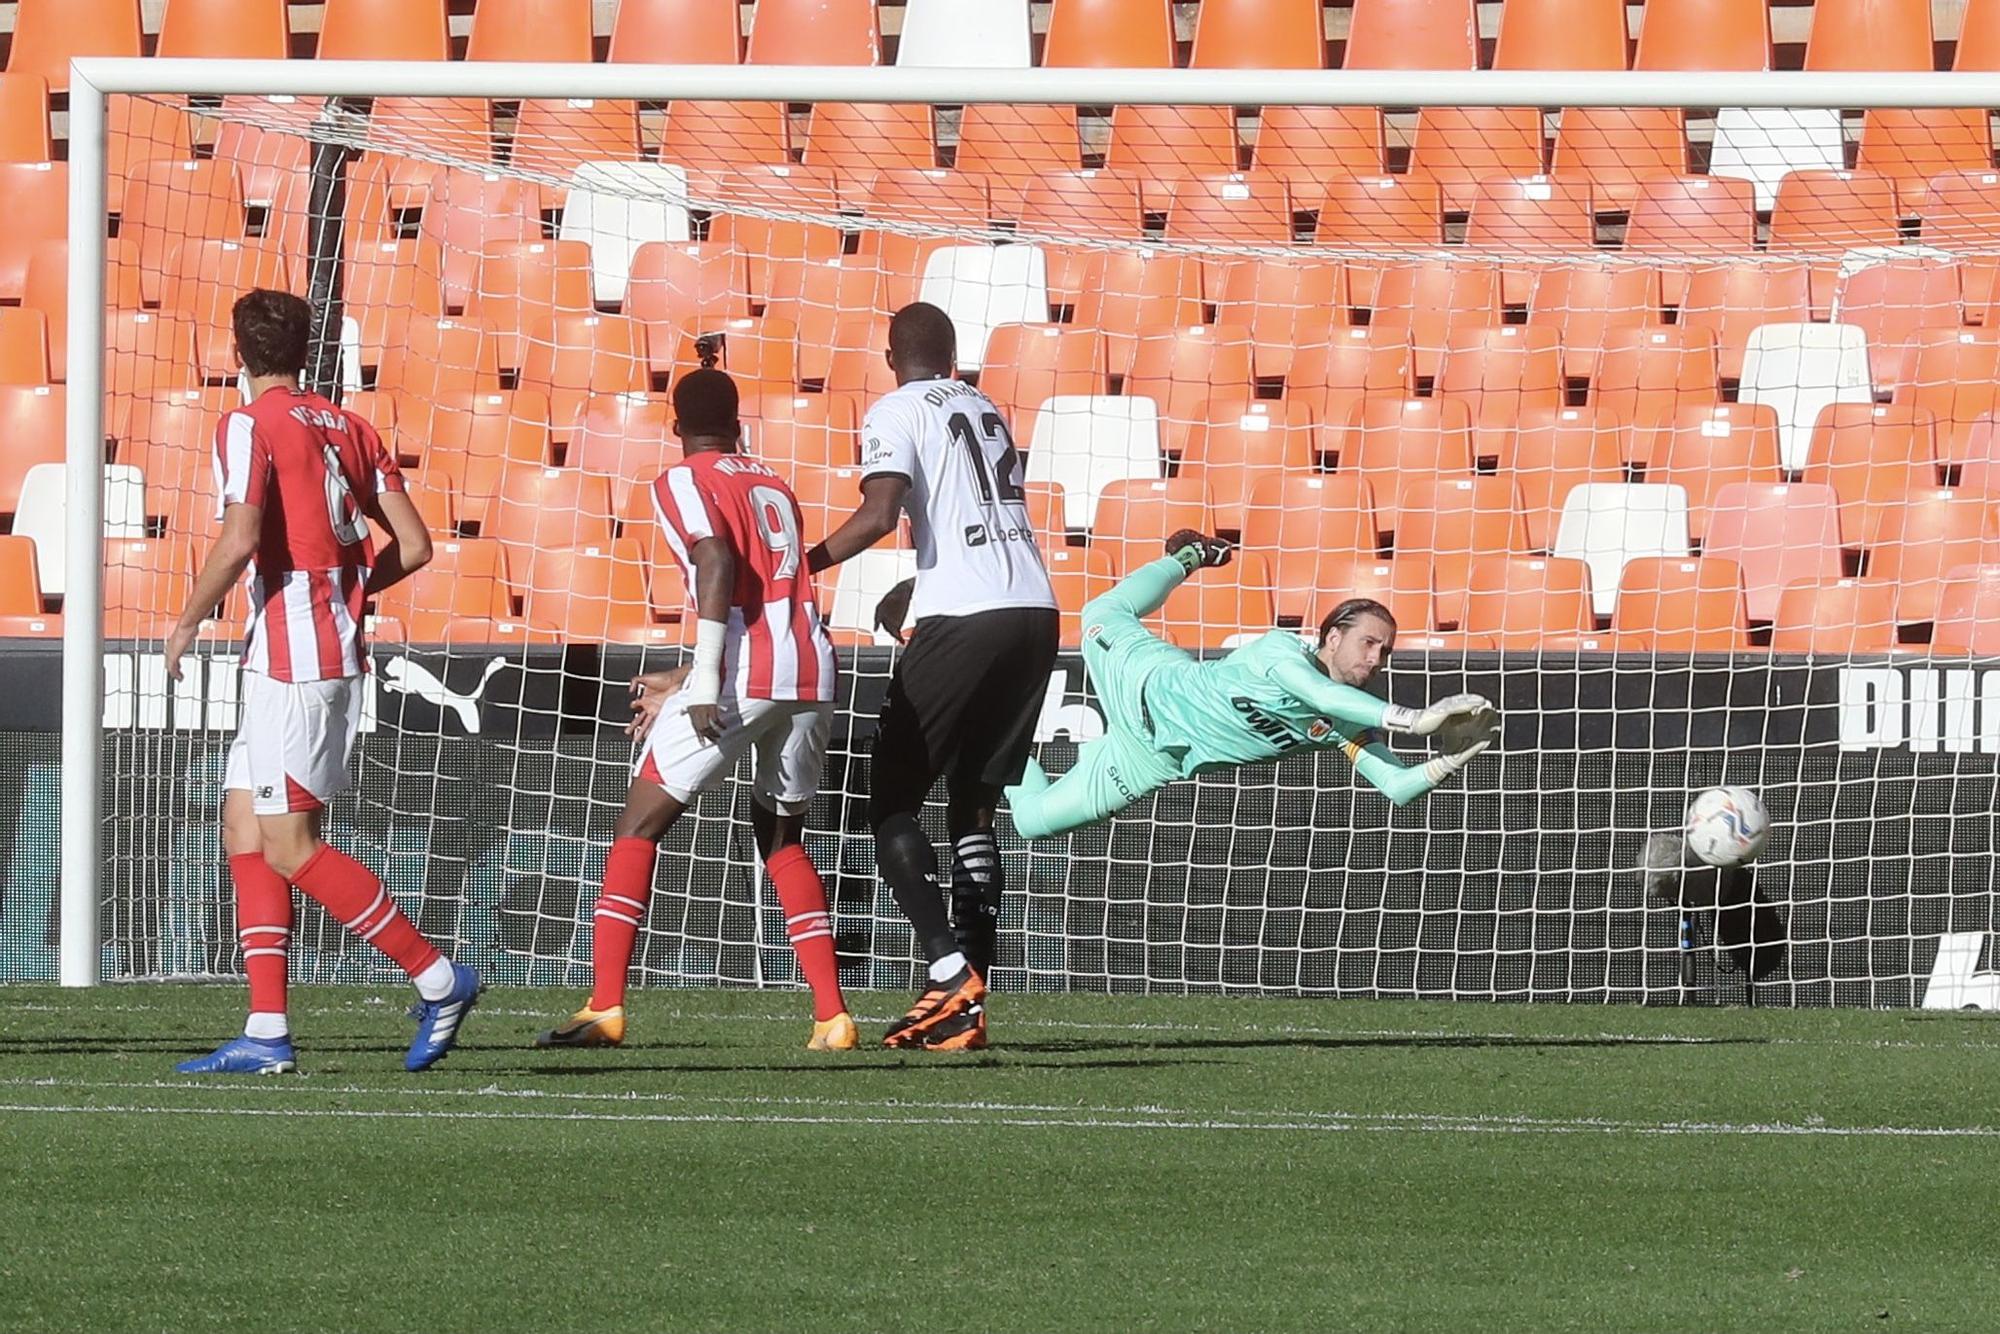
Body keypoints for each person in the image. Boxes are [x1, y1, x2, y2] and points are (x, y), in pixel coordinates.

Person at [164, 288, 480, 1075]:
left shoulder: (247, 423)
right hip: (322, 654)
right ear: (307, 352)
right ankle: (266, 1030)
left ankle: (439, 979)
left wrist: (186, 619)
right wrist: (347, 592)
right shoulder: (353, 426)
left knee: (291, 845)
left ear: (238, 353)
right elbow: (413, 545)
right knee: (245, 827)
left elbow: (240, 539)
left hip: (293, 665)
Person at [537, 366, 855, 1052]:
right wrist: (687, 675)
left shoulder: (683, 478)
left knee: (640, 821)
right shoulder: (771, 480)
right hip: (813, 666)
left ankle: (604, 1007)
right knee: (781, 838)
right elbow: (765, 595)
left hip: (744, 673)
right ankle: (832, 1016)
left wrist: (704, 681)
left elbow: (714, 561)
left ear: (675, 429)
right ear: (740, 424)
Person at [805, 301, 1059, 1052]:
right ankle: (966, 1011)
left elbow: (881, 512)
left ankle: (949, 974)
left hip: (966, 619)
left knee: (890, 802)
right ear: (954, 355)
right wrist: (919, 585)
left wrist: (801, 567)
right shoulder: (984, 405)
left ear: (892, 355)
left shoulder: (896, 407)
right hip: (1034, 611)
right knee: (974, 809)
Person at [1004, 532, 1498, 840]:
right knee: (1101, 611)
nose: (1376, 658)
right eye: (1369, 642)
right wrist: (1411, 720)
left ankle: (994, 742)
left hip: (1149, 760)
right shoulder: (1280, 652)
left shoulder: (1345, 722)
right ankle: (1188, 556)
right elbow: (1320, 694)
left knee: (1030, 822)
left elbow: (1395, 787)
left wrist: (1449, 760)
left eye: (1385, 651)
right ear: (1332, 635)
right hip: (1144, 682)